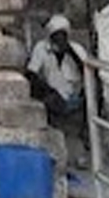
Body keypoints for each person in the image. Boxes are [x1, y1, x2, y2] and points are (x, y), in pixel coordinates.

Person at [27, 13, 88, 165]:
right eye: (56, 36)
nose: (59, 40)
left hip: (74, 97)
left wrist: (70, 52)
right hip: (53, 96)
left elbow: (87, 72)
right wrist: (48, 92)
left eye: (63, 36)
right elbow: (31, 74)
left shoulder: (77, 50)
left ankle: (80, 150)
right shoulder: (42, 48)